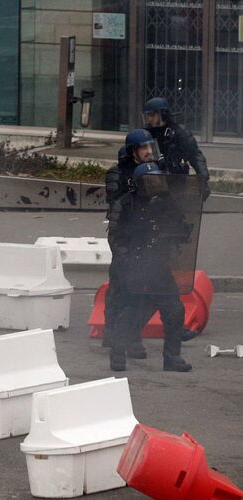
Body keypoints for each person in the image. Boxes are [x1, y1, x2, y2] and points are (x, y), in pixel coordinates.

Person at [108, 163, 192, 373]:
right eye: (151, 180)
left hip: (159, 265)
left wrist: (171, 207)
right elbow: (116, 238)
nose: (155, 184)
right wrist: (128, 262)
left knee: (174, 310)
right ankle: (118, 350)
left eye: (158, 179)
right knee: (135, 311)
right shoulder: (126, 204)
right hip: (137, 266)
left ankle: (172, 358)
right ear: (140, 183)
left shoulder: (164, 203)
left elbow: (182, 229)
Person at [104, 131, 157, 359]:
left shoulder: (152, 168)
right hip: (124, 233)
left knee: (148, 290)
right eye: (144, 148)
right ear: (133, 150)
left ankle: (131, 334)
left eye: (150, 147)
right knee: (120, 287)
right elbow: (117, 199)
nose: (149, 152)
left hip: (146, 233)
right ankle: (114, 333)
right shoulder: (117, 173)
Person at [143, 97, 210, 200]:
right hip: (154, 179)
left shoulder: (179, 132)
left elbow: (195, 156)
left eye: (152, 115)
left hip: (176, 179)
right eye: (148, 116)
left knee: (176, 211)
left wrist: (203, 178)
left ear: (163, 114)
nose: (149, 119)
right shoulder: (147, 133)